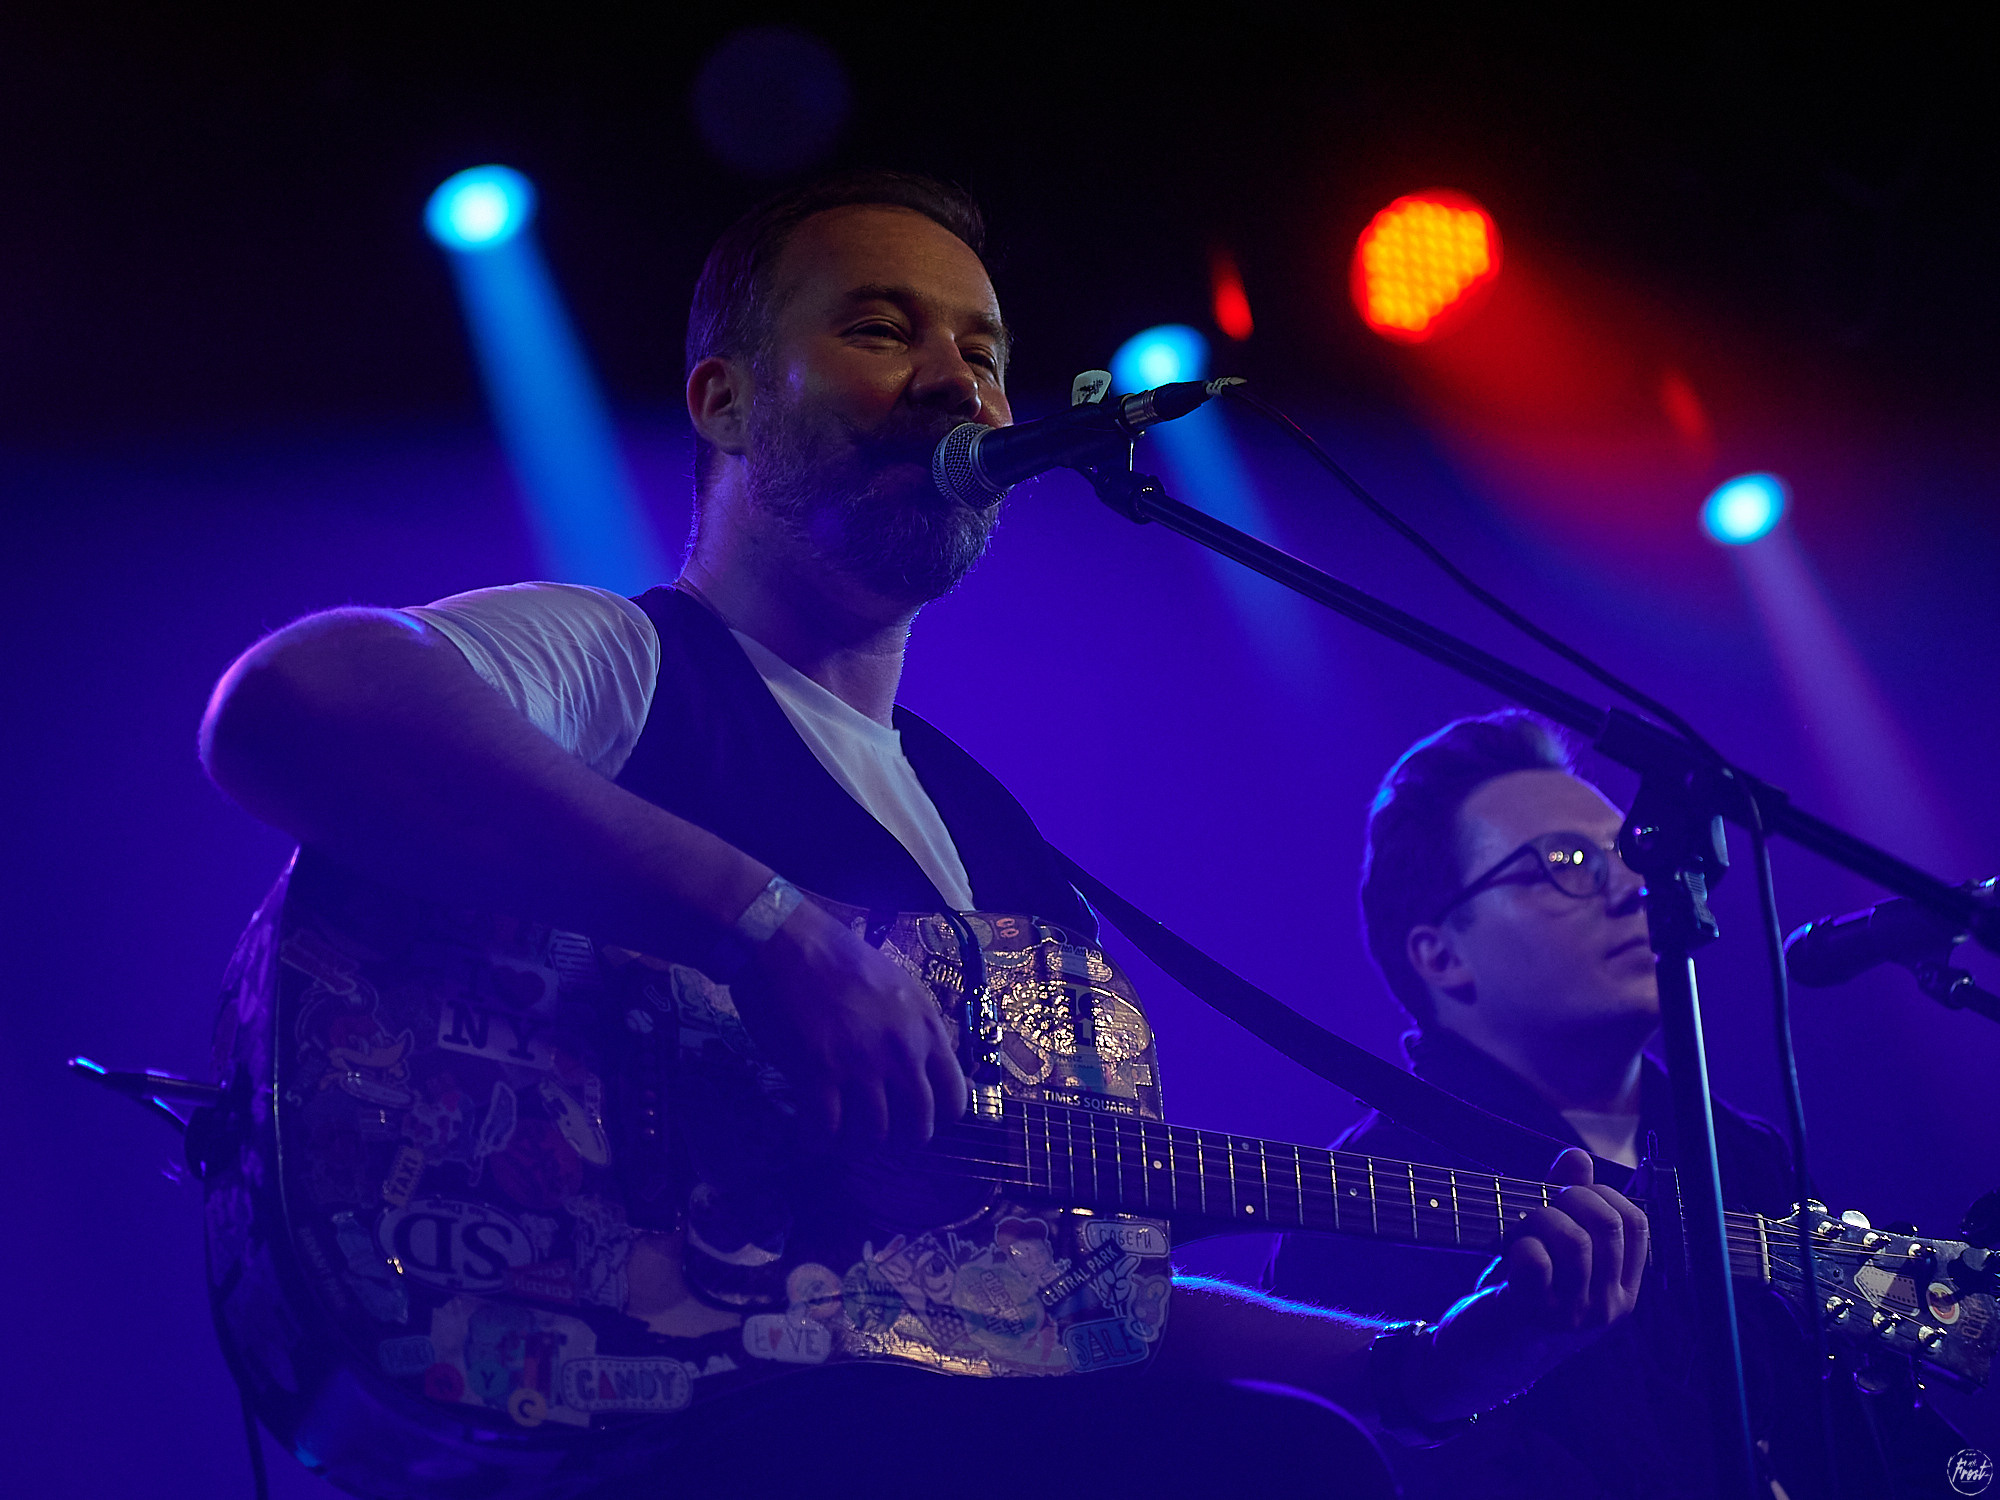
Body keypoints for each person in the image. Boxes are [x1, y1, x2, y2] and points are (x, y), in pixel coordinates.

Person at [200, 171, 1646, 1498]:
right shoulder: (627, 664)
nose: (956, 380)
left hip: (886, 1439)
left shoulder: (998, 852)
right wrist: (759, 926)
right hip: (639, 1426)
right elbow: (294, 701)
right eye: (883, 330)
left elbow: (1044, 1305)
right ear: (722, 398)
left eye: (987, 354)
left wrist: (1421, 1366)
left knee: (1305, 1449)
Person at [1264, 710, 1971, 1500]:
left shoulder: (1741, 1152)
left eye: (1629, 855)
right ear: (1442, 954)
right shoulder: (1356, 1190)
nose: (1637, 886)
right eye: (1567, 862)